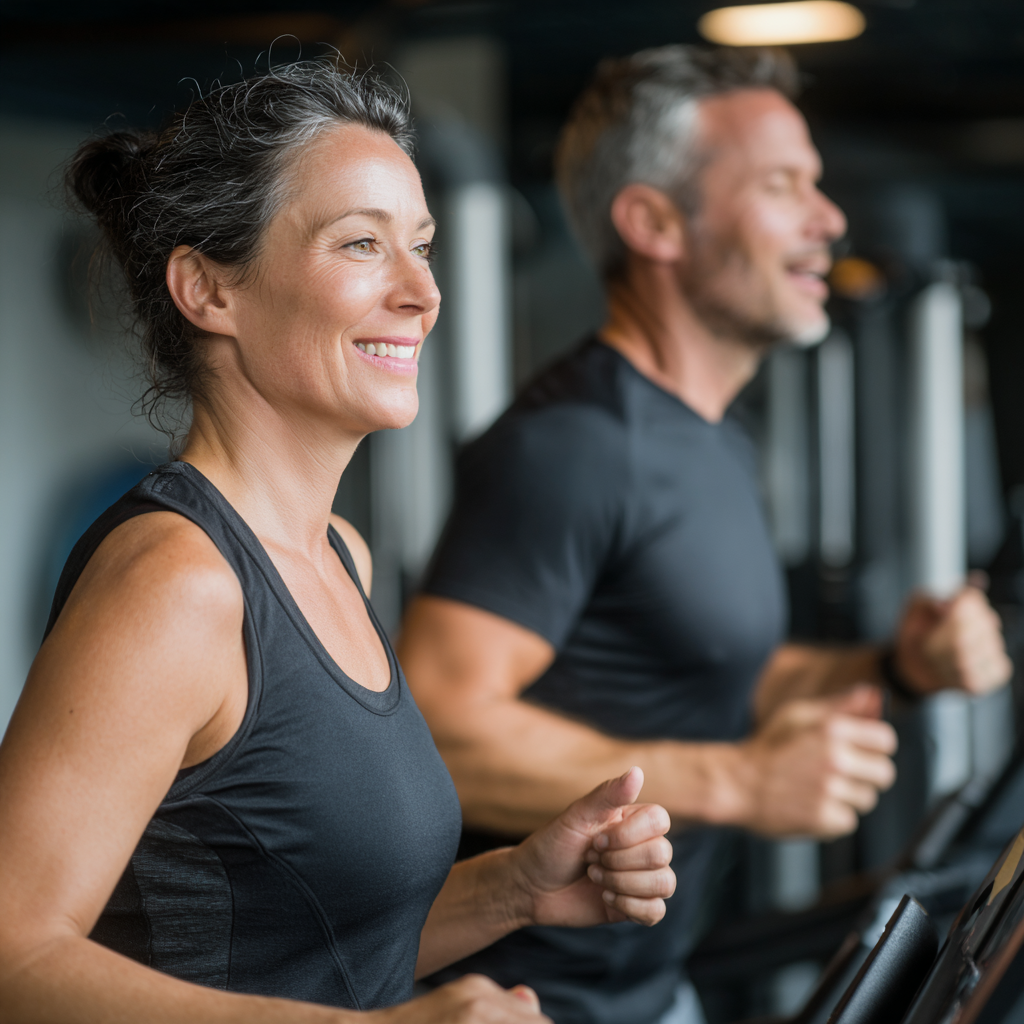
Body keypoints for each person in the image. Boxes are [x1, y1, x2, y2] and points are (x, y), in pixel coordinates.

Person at [0, 61, 678, 1024]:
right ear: (207, 289)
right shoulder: (179, 585)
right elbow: (15, 959)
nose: (422, 293)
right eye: (362, 244)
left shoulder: (337, 556)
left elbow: (301, 942)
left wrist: (515, 889)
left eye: (423, 247)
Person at [397, 45, 1014, 1024]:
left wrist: (898, 666)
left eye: (816, 184)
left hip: (646, 989)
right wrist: (741, 779)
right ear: (652, 223)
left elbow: (714, 666)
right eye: (783, 187)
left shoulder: (711, 436)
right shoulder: (574, 446)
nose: (830, 219)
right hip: (524, 1002)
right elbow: (441, 724)